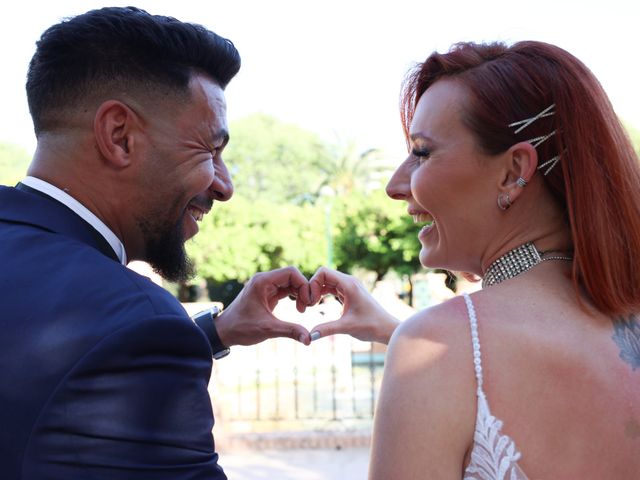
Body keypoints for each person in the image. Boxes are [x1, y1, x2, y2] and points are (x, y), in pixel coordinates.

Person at [0, 7, 314, 479]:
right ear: (120, 136)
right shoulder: (135, 321)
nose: (224, 185)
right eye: (210, 150)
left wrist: (214, 331)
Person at [309, 41, 640, 478]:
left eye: (422, 152)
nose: (395, 185)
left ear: (513, 172)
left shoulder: (436, 347)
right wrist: (403, 335)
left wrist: (421, 343)